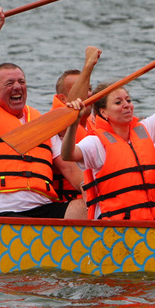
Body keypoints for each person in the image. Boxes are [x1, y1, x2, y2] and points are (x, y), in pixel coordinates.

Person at [0, 9, 85, 219]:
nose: (17, 87)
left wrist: (92, 190)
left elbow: (68, 168)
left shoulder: (40, 121)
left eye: (21, 82)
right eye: (10, 83)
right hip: (2, 212)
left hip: (42, 207)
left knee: (85, 208)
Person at [62, 41, 155, 221]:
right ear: (103, 112)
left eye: (128, 100)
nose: (126, 105)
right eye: (118, 102)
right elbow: (68, 154)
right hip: (114, 224)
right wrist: (73, 125)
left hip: (149, 220)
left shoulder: (145, 129)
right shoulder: (96, 142)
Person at [49, 47, 102, 201]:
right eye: (82, 88)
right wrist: (89, 65)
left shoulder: (97, 124)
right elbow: (72, 172)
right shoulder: (55, 126)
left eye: (90, 88)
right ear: (62, 99)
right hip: (72, 203)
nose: (89, 94)